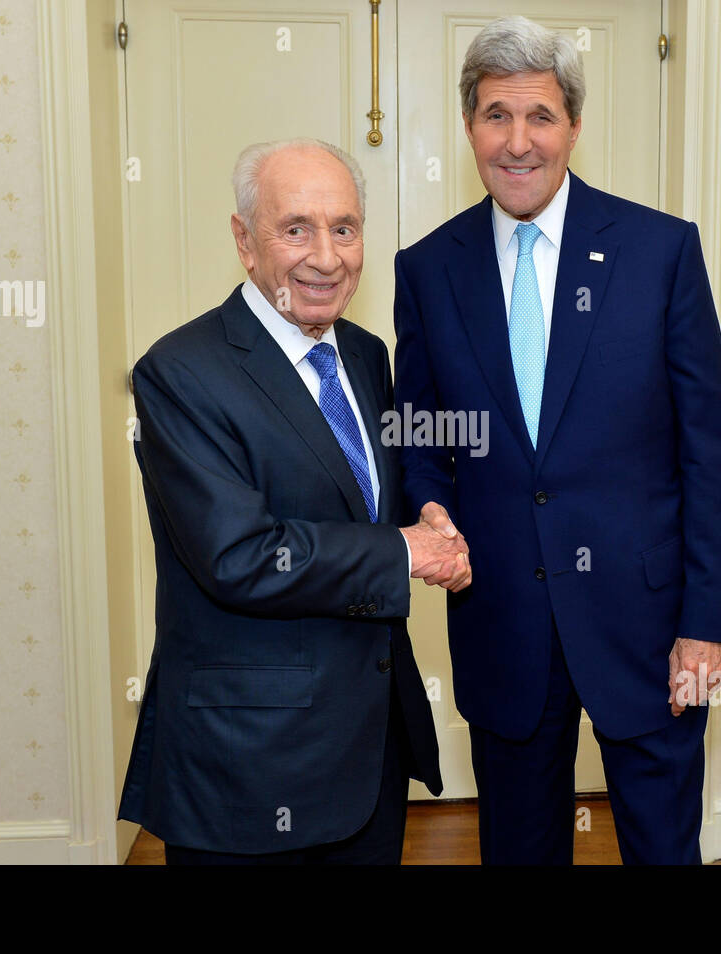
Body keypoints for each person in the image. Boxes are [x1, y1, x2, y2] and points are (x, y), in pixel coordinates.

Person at [393, 17, 721, 864]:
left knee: (664, 849)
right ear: (469, 125)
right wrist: (431, 503)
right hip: (500, 620)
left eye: (540, 116)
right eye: (495, 115)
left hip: (650, 623)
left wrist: (708, 622)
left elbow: (710, 447)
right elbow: (419, 432)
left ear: (574, 126)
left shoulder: (661, 252)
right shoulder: (427, 268)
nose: (518, 142)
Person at [120, 138, 469, 864]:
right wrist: (406, 548)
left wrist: (432, 519)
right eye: (296, 229)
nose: (327, 256)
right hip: (249, 762)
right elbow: (239, 555)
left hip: (368, 749)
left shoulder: (368, 356)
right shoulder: (181, 373)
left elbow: (371, 499)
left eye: (344, 228)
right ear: (245, 242)